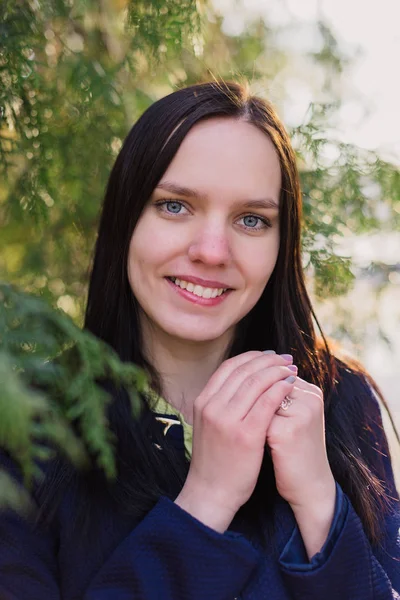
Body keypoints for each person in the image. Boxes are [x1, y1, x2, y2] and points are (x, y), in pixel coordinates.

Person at [1, 80, 399, 599]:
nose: (212, 251)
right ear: (125, 220)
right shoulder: (24, 427)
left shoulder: (339, 400)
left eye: (252, 219)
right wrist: (205, 503)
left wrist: (321, 503)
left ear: (282, 244)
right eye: (175, 206)